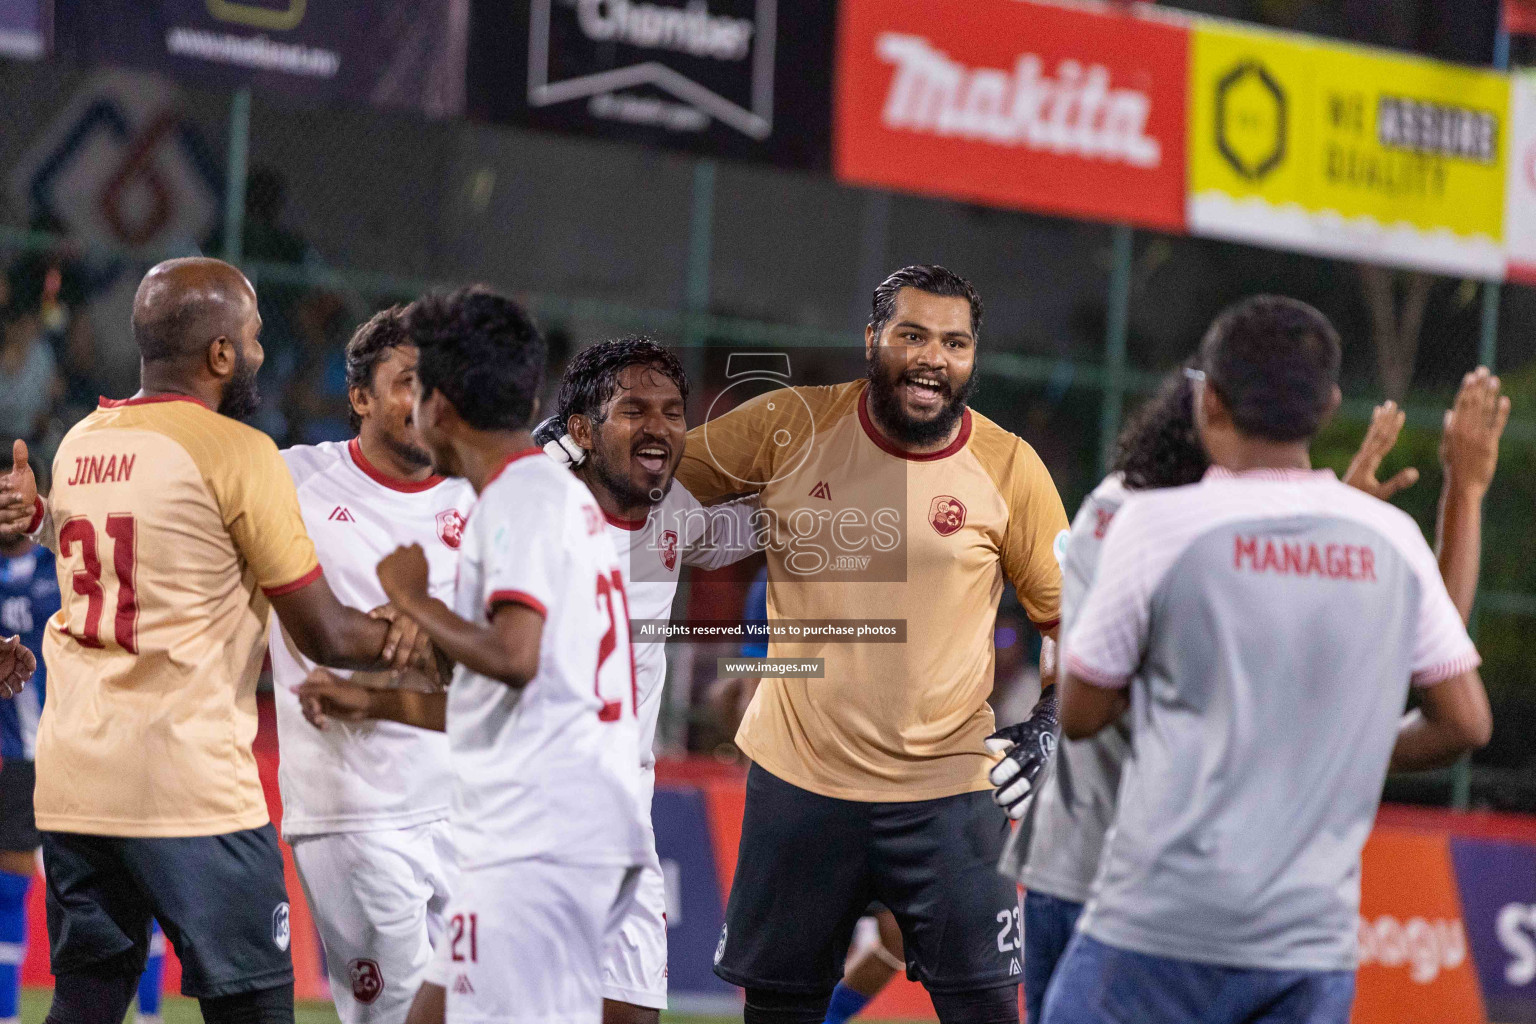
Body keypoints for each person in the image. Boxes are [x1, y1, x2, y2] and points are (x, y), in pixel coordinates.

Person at [995, 365, 1502, 1022]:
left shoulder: (1177, 516)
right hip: (1112, 880)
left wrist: (1345, 524)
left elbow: (1425, 645)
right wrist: (1446, 497)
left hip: (1145, 879)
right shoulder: (1147, 515)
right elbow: (1429, 677)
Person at [0, 257, 430, 1024]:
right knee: (257, 1005)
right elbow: (326, 632)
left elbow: (93, 542)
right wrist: (424, 634)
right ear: (221, 355)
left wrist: (34, 518)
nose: (261, 352)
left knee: (87, 1001)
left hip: (75, 788)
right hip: (189, 790)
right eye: (256, 336)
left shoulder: (80, 441)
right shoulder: (238, 452)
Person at [307, 335, 762, 1024]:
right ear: (582, 431)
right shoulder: (529, 526)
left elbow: (759, 524)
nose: (660, 426)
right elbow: (495, 679)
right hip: (530, 825)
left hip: (617, 827)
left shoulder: (669, 519)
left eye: (673, 411)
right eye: (635, 409)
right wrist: (411, 622)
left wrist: (840, 477)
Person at [674, 264, 1068, 1024]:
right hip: (799, 789)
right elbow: (652, 479)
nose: (933, 356)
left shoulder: (1009, 465)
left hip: (952, 795)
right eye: (912, 334)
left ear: (972, 359)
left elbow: (1073, 626)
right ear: (872, 340)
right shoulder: (790, 424)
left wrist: (1049, 724)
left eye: (954, 342)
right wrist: (576, 446)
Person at [269, 307, 473, 1024]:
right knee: (392, 1015)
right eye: (408, 381)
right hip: (352, 810)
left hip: (469, 806)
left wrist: (423, 626)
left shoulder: (479, 500)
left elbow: (507, 654)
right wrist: (44, 517)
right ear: (359, 397)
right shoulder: (291, 480)